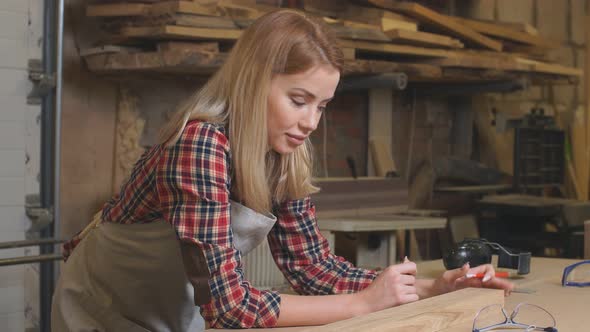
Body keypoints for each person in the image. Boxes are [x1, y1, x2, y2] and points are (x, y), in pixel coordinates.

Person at [51, 9, 513, 331]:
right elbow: (228, 308)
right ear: (255, 82)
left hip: (169, 311)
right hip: (102, 308)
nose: (310, 122)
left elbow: (312, 267)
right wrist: (360, 304)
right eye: (298, 100)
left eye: (322, 106)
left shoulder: (283, 154)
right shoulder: (199, 146)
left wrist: (430, 289)